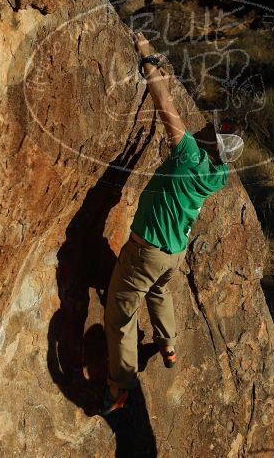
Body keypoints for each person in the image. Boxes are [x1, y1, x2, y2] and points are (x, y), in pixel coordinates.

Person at [101, 32, 244, 415]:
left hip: (146, 251)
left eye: (210, 133)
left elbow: (165, 107)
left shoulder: (189, 157)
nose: (203, 129)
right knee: (159, 293)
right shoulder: (217, 175)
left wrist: (147, 56)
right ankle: (168, 344)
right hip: (173, 254)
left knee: (118, 315)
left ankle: (120, 385)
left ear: (211, 147)